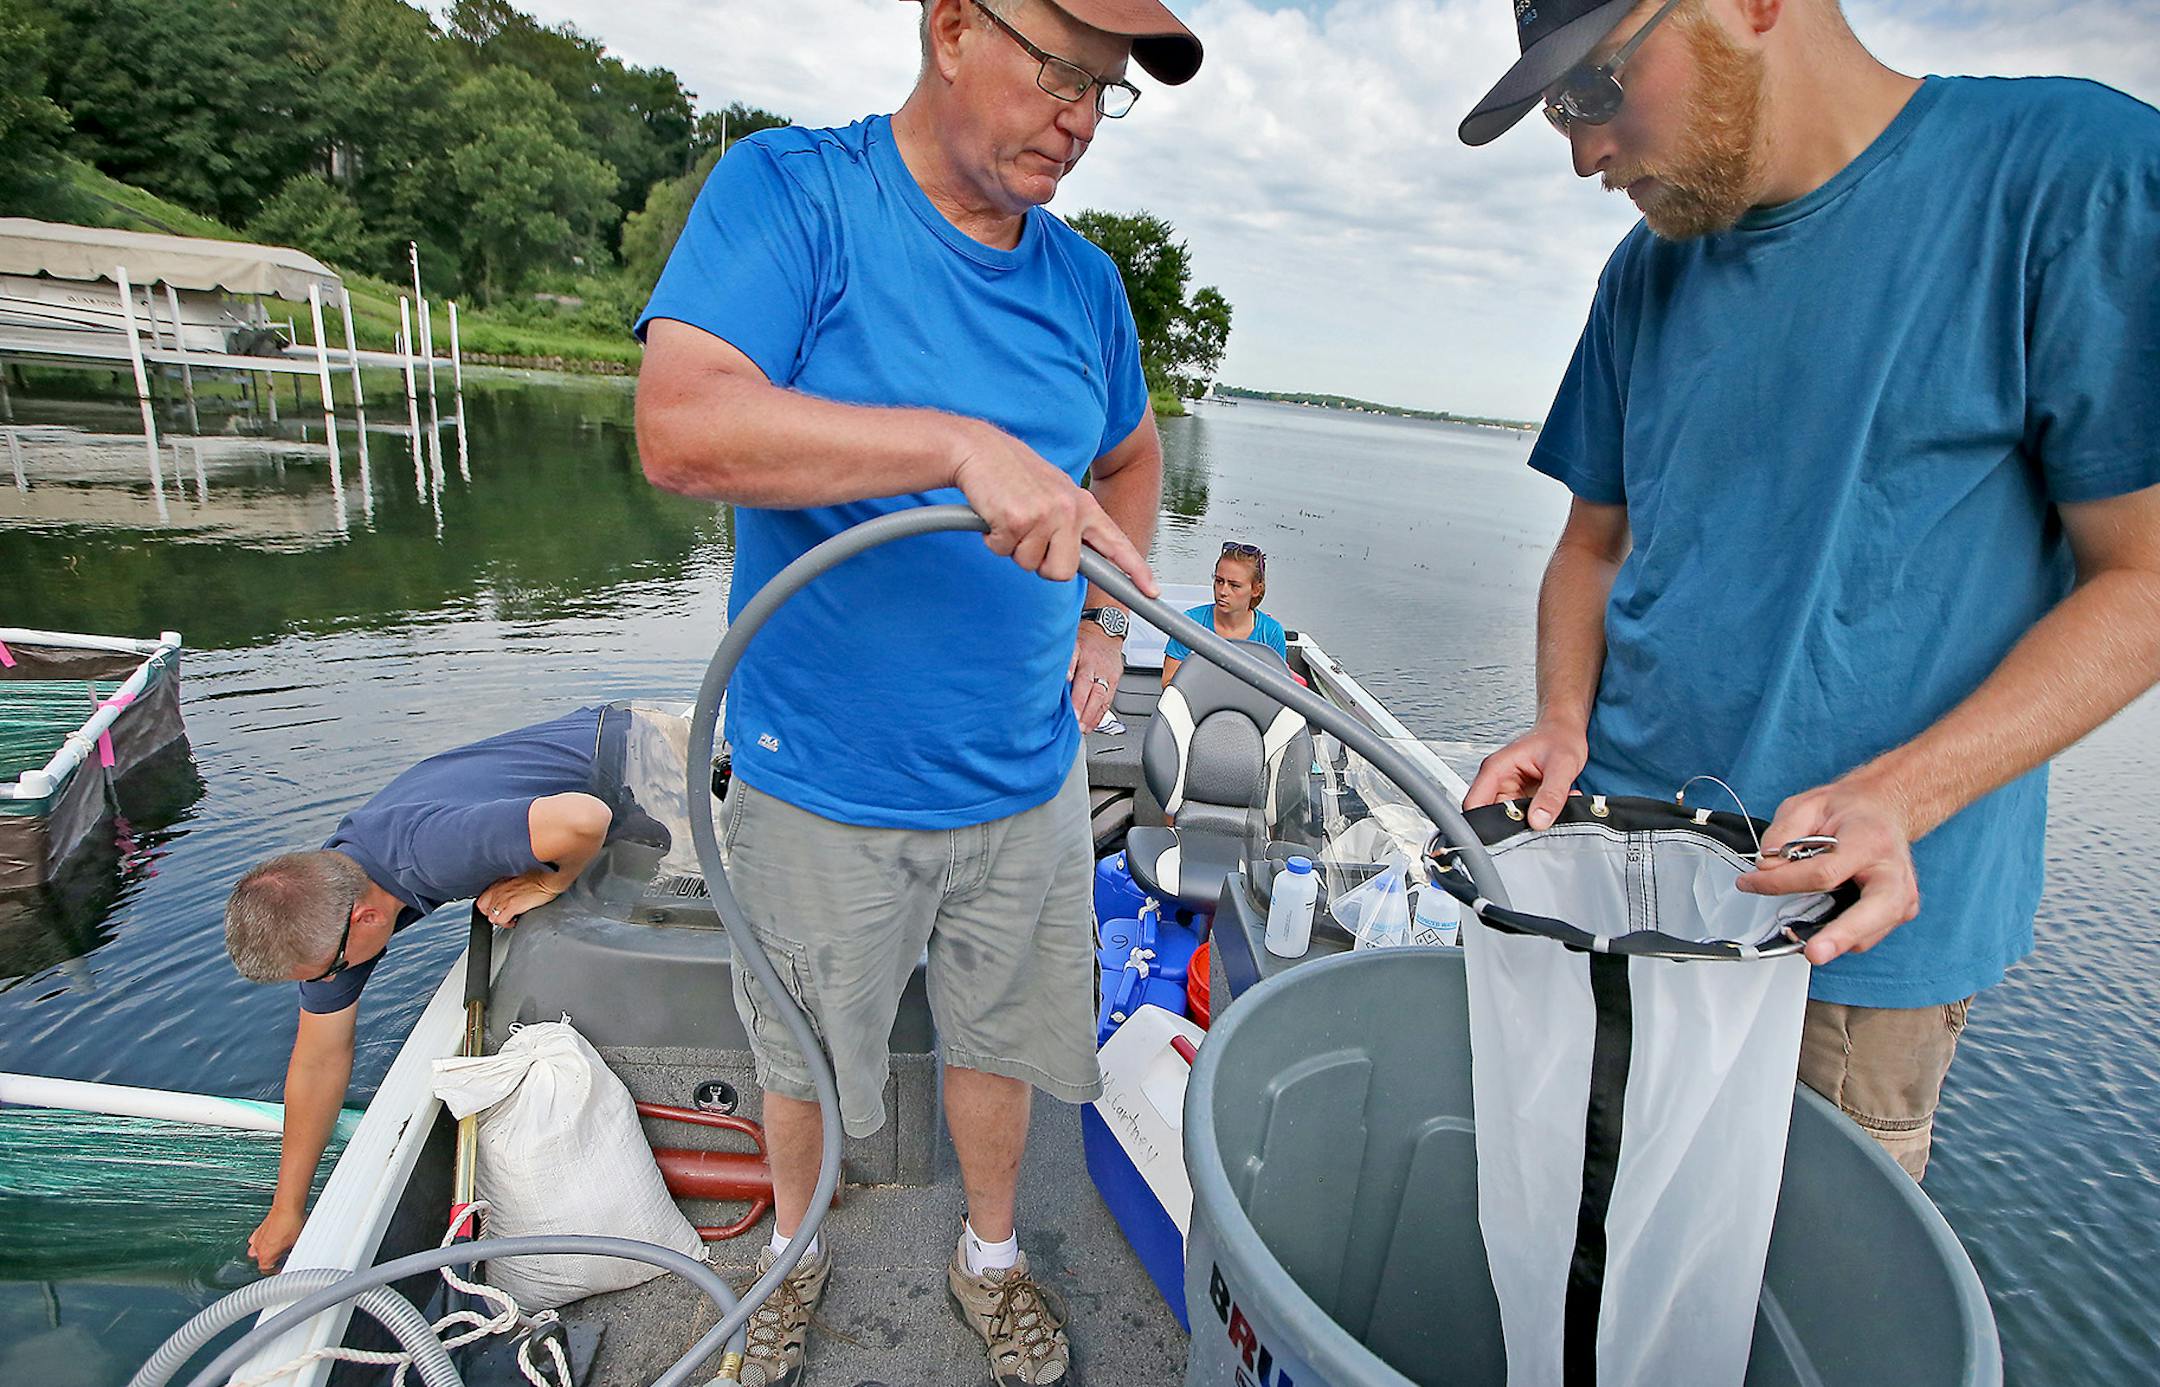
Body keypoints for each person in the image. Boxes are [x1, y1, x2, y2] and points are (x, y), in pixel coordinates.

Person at [1456, 0, 2160, 1179]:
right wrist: (1563, 717)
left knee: (1789, 1330)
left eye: (1593, 90)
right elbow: (1590, 546)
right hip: (1618, 891)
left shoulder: (2070, 176)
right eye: (1555, 112)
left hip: (1841, 949)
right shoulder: (1645, 270)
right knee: (1582, 1260)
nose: (1581, 151)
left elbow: (2141, 577)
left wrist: (1904, 794)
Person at [632, 0, 1201, 1380]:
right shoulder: (795, 194)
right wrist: (959, 443)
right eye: (1061, 67)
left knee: (999, 1046)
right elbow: (682, 423)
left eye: (1105, 90)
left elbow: (1130, 462)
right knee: (802, 1057)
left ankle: (991, 1256)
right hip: (816, 782)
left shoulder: (1085, 289)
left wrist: (1102, 630)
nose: (1080, 113)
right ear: (951, 24)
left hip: (1025, 782)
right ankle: (792, 1254)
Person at [221, 707, 620, 1272]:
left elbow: (586, 817)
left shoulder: (426, 853)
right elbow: (318, 1057)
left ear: (362, 921)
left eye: (325, 971)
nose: (325, 982)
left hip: (634, 759)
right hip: (573, 789)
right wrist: (288, 1208)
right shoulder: (332, 903)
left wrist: (546, 880)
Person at [1159, 541, 1288, 685]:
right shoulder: (1190, 624)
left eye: (1234, 585)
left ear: (1256, 590)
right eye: (1219, 581)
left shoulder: (1271, 632)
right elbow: (1169, 683)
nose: (1223, 591)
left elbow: (1279, 690)